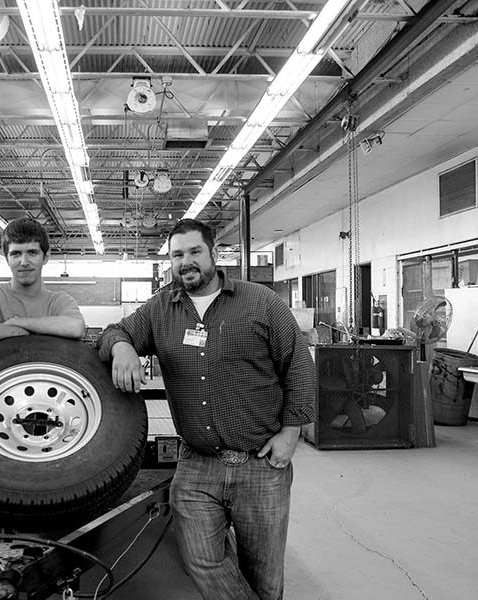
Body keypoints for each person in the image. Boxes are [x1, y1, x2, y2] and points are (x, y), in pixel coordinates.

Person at [97, 218, 316, 600]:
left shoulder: (261, 302)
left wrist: (292, 431)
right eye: (177, 255)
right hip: (196, 465)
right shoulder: (160, 309)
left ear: (214, 254)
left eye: (195, 251)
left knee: (264, 575)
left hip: (261, 464)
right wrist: (122, 347)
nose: (186, 262)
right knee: (201, 560)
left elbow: (298, 365)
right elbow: (114, 331)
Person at [0, 217, 86, 343]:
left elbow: (76, 328)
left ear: (45, 257)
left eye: (32, 253)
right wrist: (23, 332)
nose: (24, 262)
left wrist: (17, 322)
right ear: (7, 259)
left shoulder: (60, 301)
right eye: (16, 254)